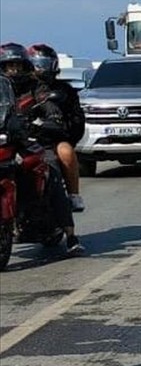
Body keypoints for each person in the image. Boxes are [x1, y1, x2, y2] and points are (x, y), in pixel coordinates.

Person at [0, 42, 83, 255]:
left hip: (34, 141)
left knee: (50, 168)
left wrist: (45, 121)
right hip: (7, 141)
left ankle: (71, 235)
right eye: (9, 66)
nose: (14, 71)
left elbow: (50, 108)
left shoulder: (37, 88)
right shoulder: (2, 89)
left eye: (18, 66)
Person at [27, 44, 86, 212]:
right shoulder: (20, 88)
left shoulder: (64, 90)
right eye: (37, 64)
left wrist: (61, 128)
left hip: (52, 138)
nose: (41, 69)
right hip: (22, 137)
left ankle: (73, 195)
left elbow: (77, 121)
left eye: (45, 64)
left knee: (66, 151)